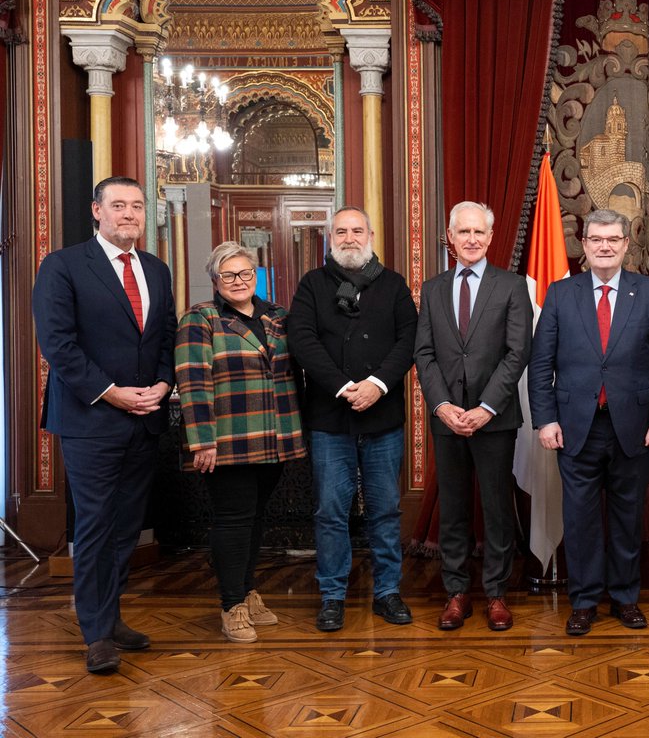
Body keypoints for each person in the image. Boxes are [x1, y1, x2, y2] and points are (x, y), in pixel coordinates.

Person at [32, 176, 176, 673]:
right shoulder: (64, 266)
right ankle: (95, 633)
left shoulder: (157, 270)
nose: (129, 214)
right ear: (97, 211)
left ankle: (110, 616)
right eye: (118, 206)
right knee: (93, 528)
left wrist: (162, 384)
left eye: (137, 206)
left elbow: (164, 338)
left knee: (125, 529)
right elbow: (58, 344)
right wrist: (111, 393)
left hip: (145, 419)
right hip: (92, 418)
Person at [527, 209, 649, 636]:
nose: (604, 246)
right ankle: (584, 600)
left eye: (613, 239)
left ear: (626, 244)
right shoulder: (560, 294)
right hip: (576, 427)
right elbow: (541, 366)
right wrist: (545, 421)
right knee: (580, 519)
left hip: (635, 427)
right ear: (585, 245)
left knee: (629, 518)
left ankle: (626, 598)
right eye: (596, 239)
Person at [289, 207, 419, 632]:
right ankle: (332, 596)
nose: (349, 238)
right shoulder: (312, 285)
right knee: (330, 511)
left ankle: (387, 592)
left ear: (371, 235)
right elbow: (303, 341)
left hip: (382, 418)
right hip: (330, 418)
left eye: (356, 230)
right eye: (341, 231)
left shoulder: (394, 286)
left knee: (384, 510)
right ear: (330, 237)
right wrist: (345, 387)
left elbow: (409, 340)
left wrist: (377, 384)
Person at [175, 242, 305, 643]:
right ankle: (231, 605)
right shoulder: (200, 319)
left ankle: (248, 592)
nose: (238, 281)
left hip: (275, 437)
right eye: (229, 275)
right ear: (216, 280)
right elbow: (192, 381)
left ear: (256, 275)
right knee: (232, 519)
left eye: (245, 273)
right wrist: (202, 442)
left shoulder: (279, 316)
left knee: (255, 518)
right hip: (226, 440)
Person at [414, 201, 532, 631]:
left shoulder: (512, 286)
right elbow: (423, 353)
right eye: (463, 232)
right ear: (450, 237)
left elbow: (518, 353)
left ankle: (497, 594)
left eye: (479, 232)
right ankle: (457, 592)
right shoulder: (432, 288)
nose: (471, 239)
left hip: (495, 419)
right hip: (447, 419)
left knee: (498, 509)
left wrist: (484, 408)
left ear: (490, 237)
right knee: (455, 509)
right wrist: (443, 406)